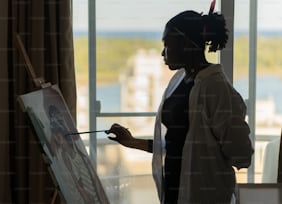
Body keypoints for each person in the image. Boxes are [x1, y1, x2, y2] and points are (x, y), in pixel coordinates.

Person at [106, 1, 254, 204]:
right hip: (174, 194)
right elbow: (179, 144)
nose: (162, 53)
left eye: (167, 44)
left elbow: (241, 154)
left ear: (186, 44)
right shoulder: (179, 81)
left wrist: (207, 160)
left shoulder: (216, 88)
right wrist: (133, 142)